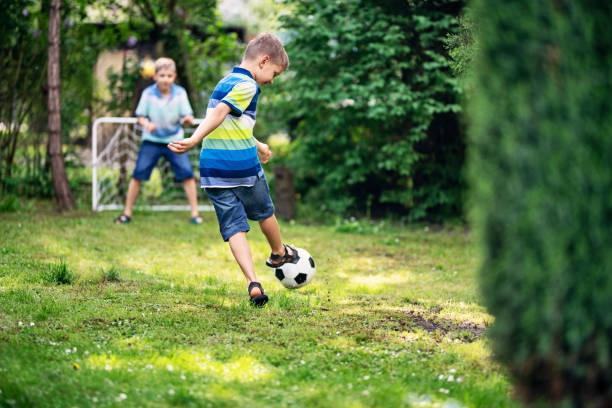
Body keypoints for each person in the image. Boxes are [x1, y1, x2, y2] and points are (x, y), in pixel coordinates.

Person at [168, 33, 296, 306]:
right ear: (263, 61)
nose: (272, 80)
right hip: (242, 167)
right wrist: (193, 138)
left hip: (213, 171)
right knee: (264, 212)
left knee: (234, 227)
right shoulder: (248, 85)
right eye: (274, 73)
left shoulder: (226, 81)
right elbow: (220, 113)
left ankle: (253, 283)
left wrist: (259, 143)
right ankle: (278, 252)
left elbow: (231, 124)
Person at [114, 57, 203, 225]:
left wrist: (188, 120)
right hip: (152, 141)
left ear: (174, 77)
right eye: (162, 75)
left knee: (188, 175)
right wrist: (146, 123)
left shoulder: (180, 93)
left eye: (169, 76)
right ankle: (127, 213)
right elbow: (140, 117)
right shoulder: (148, 94)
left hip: (175, 140)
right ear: (155, 77)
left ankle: (195, 214)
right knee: (138, 174)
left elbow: (187, 116)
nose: (165, 79)